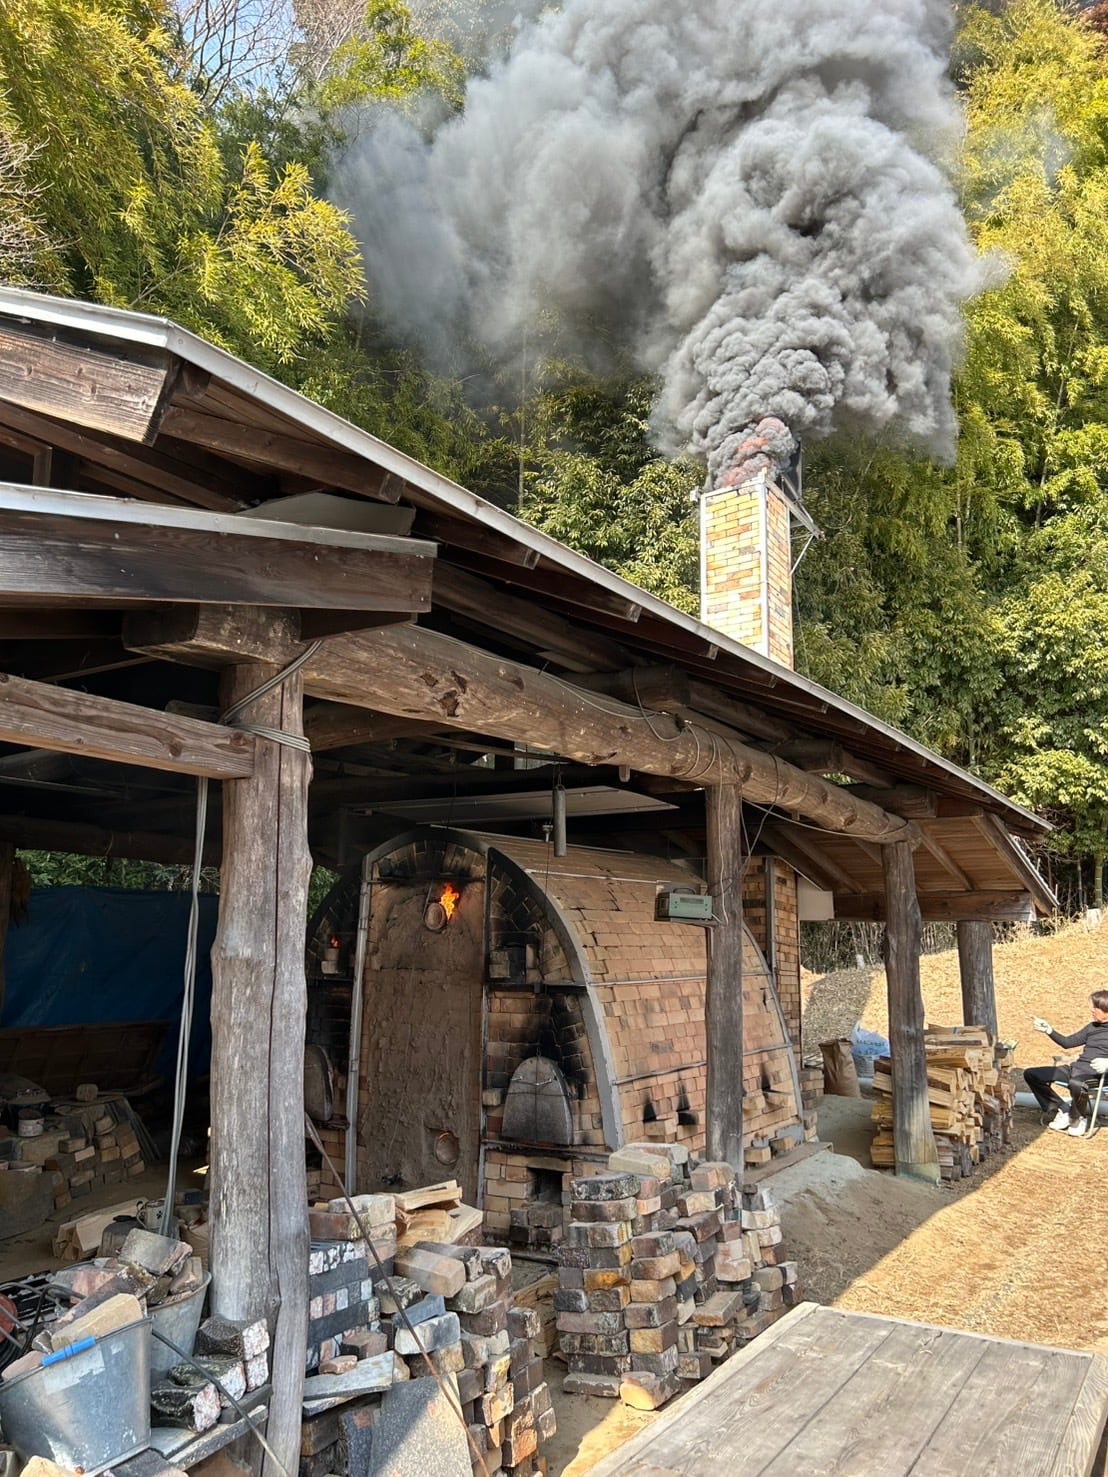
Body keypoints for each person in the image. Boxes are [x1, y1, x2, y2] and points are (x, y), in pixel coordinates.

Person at [1025, 990, 1108, 1137]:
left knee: (1077, 1083)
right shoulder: (1092, 1027)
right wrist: (1049, 1030)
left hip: (1098, 1076)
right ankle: (1063, 1109)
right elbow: (1067, 1043)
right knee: (1031, 1074)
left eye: (1096, 1007)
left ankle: (1077, 1118)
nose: (1092, 1010)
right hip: (1075, 1069)